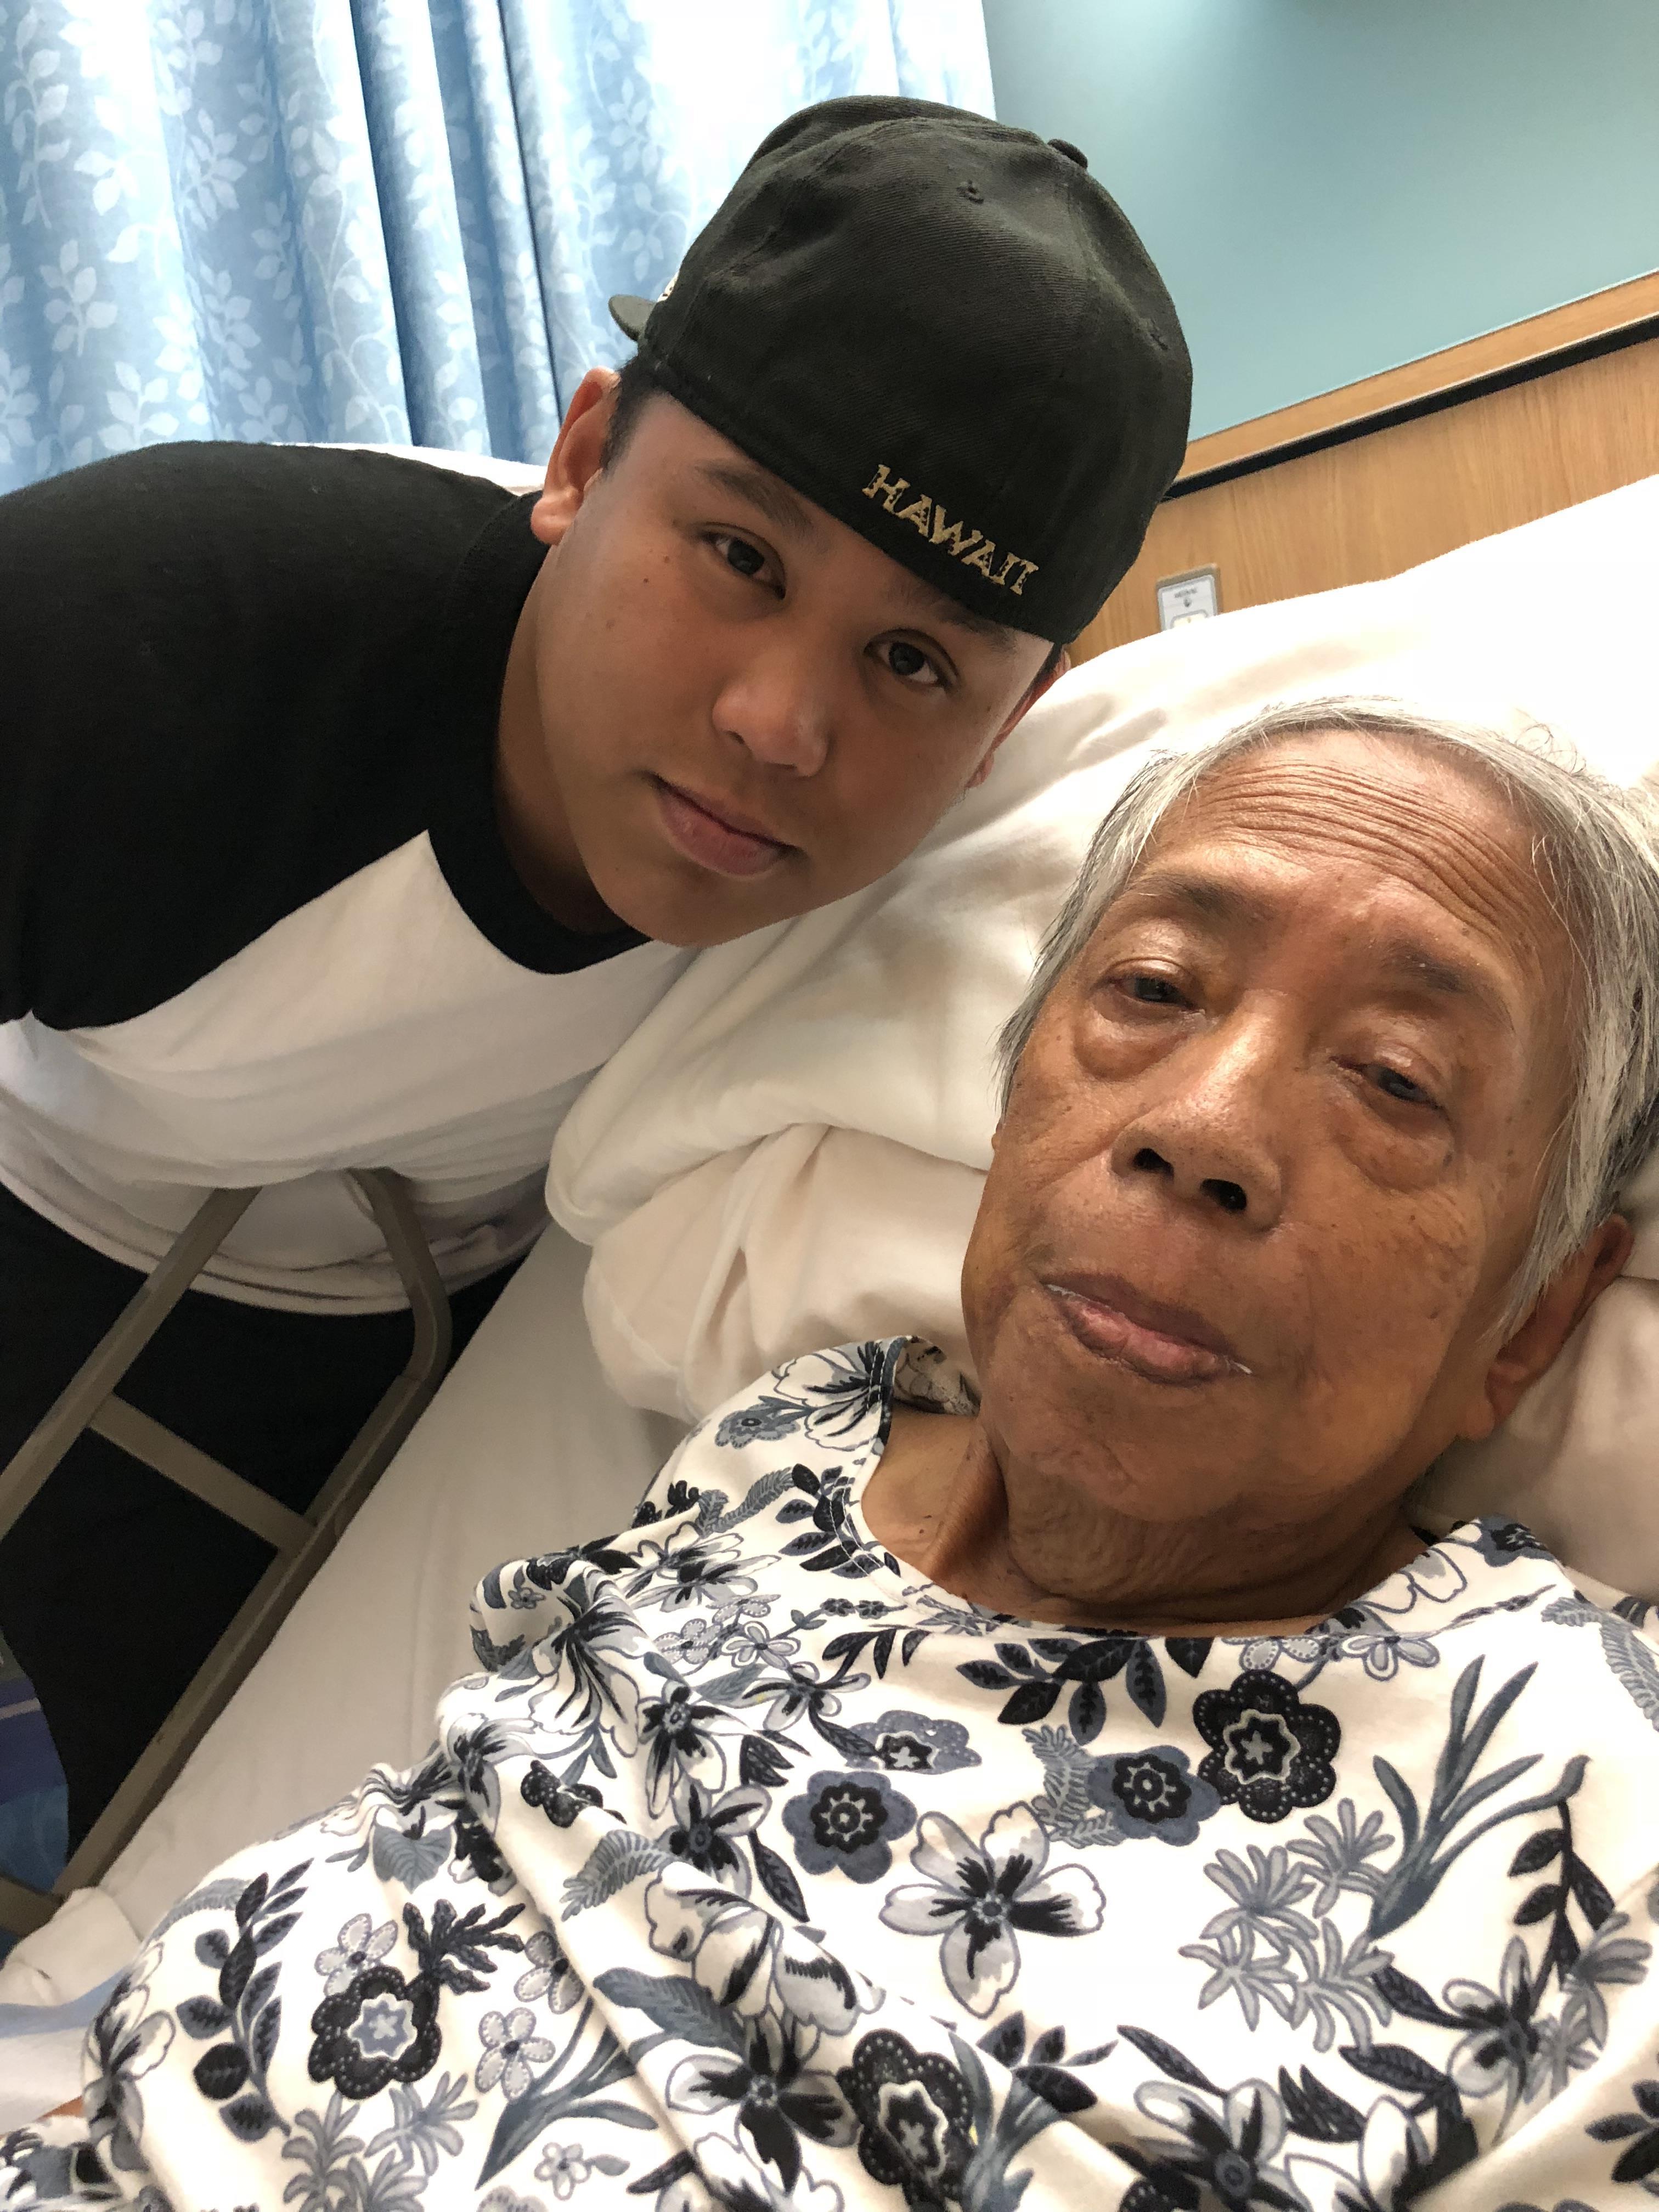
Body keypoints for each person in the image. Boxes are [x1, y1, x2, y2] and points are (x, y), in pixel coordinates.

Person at [12, 699, 1659, 2210]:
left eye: (1395, 1080)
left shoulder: (1599, 1823)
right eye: (1152, 991)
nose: (1204, 1123)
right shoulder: (788, 1437)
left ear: (1530, 1319)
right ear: (1015, 1098)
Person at [0, 95, 1191, 1850]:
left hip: (461, 1317)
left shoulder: (964, 878)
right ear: (582, 462)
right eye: (738, 556)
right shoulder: (150, 635)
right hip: (65, 1214)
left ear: (1009, 718)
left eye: (915, 660)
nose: (779, 724)